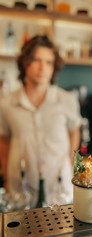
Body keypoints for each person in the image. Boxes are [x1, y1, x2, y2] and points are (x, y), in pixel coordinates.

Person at [0, 35, 81, 207]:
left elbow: (74, 131)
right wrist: (7, 179)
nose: (43, 67)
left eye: (49, 62)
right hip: (20, 185)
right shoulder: (6, 103)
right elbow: (4, 140)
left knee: (61, 231)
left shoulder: (67, 100)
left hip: (58, 184)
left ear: (54, 68)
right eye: (36, 60)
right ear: (25, 63)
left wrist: (71, 165)